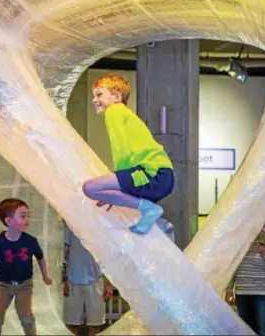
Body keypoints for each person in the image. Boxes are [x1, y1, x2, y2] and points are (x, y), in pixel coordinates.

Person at [82, 73, 175, 235]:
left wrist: (120, 181)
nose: (94, 100)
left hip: (151, 173)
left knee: (90, 188)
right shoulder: (124, 113)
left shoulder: (114, 111)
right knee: (97, 190)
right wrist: (117, 190)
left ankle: (149, 209)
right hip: (162, 175)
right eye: (94, 95)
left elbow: (121, 148)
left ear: (116, 96)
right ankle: (149, 214)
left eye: (99, 94)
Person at [0, 198, 53, 336]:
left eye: (28, 216)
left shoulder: (30, 241)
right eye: (23, 216)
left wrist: (45, 275)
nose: (27, 219)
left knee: (26, 319)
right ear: (8, 221)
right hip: (3, 285)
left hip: (24, 285)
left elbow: (40, 258)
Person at [224, 226, 265, 336]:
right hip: (243, 293)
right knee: (246, 331)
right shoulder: (241, 241)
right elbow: (234, 266)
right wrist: (229, 289)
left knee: (263, 331)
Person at [62, 222, 113, 336]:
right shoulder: (71, 224)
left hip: (96, 280)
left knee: (95, 326)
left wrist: (109, 284)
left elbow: (109, 258)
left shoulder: (102, 227)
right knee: (71, 325)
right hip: (72, 280)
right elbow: (63, 254)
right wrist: (63, 279)